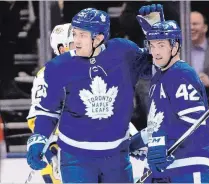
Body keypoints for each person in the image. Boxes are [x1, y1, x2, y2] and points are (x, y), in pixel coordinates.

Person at [25, 6, 160, 183]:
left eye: (82, 35)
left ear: (99, 38)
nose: (76, 41)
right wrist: (40, 139)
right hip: (75, 156)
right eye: (75, 35)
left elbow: (157, 68)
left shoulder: (123, 52)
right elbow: (47, 111)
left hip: (116, 156)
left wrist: (157, 36)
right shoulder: (57, 67)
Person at [130, 9, 209, 183]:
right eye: (152, 45)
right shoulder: (159, 78)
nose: (155, 51)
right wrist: (135, 142)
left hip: (189, 165)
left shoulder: (181, 73)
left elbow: (194, 121)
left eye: (161, 45)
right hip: (164, 168)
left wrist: (162, 143)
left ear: (175, 46)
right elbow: (161, 124)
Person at [27, 23, 74, 184]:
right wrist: (51, 151)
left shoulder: (95, 70)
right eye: (75, 43)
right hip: (59, 153)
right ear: (62, 49)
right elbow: (37, 119)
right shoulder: (47, 75)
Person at [190, 11, 209, 147]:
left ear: (205, 28)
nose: (191, 27)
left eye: (195, 24)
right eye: (188, 24)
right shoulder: (177, 51)